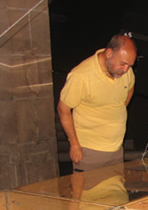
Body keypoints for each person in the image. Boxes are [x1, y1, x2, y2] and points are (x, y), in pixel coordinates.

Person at [57, 34, 137, 172]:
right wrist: (74, 144)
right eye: (123, 64)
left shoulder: (125, 72)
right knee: (90, 193)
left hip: (116, 149)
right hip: (89, 152)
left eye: (130, 65)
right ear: (109, 53)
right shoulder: (81, 75)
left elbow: (130, 86)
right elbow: (63, 109)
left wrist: (120, 108)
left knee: (116, 193)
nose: (125, 70)